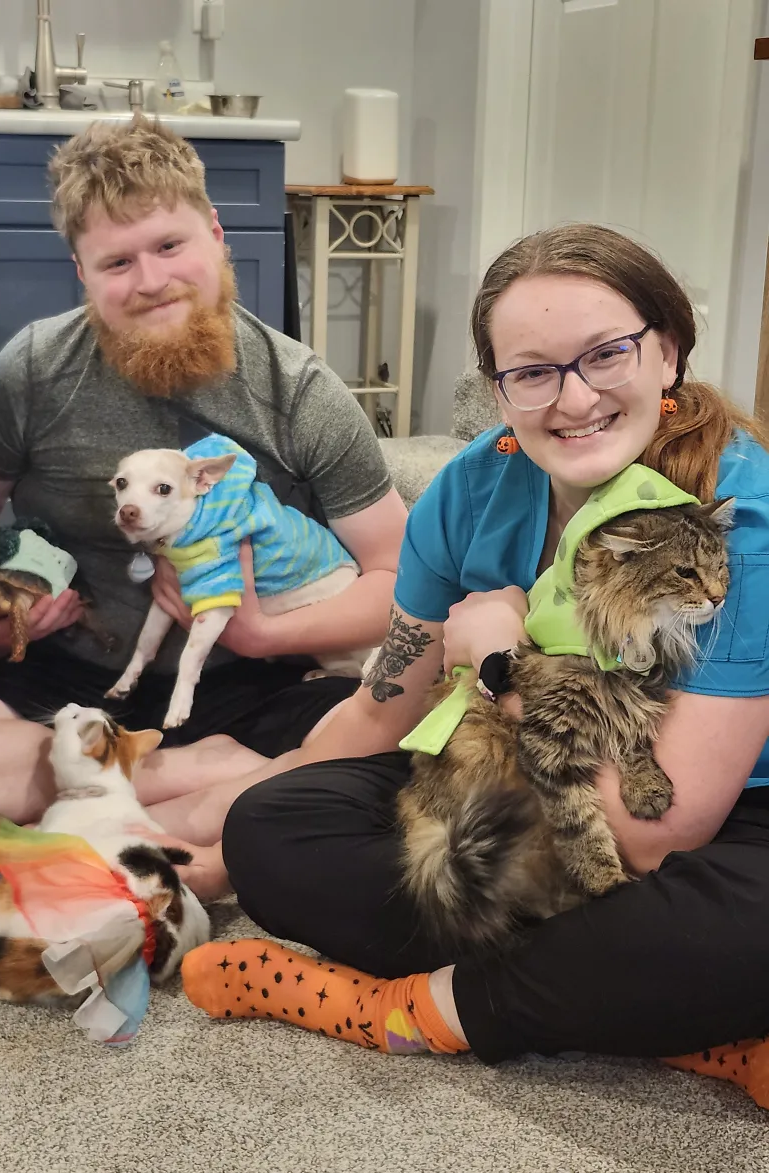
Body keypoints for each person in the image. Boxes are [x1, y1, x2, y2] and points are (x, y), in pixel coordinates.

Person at [178, 223, 769, 1110]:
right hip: (522, 802)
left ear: (669, 353)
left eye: (607, 354)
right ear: (497, 392)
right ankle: (663, 1018)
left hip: (716, 824)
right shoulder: (466, 490)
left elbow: (653, 832)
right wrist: (226, 840)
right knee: (274, 829)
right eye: (531, 371)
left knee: (728, 934)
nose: (573, 400)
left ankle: (398, 1008)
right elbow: (382, 710)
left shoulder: (732, 524)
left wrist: (502, 662)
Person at [0, 116, 406, 867]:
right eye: (117, 262)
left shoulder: (298, 390)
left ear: (217, 234)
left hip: (260, 681)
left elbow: (399, 579)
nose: (152, 281)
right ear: (81, 271)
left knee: (401, 749)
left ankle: (97, 790)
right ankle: (181, 775)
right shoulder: (30, 372)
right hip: (66, 678)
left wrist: (260, 634)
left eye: (171, 245)